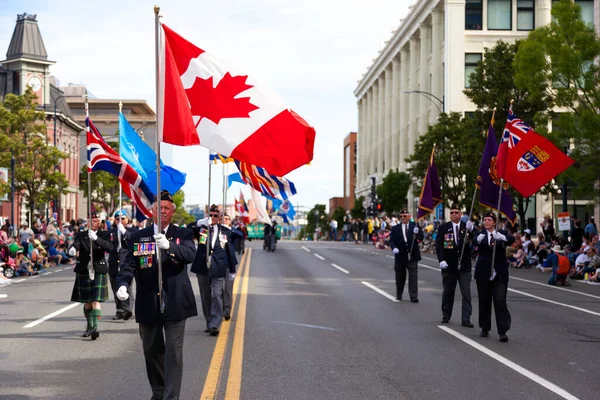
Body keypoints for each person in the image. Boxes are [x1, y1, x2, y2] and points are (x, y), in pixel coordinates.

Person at [116, 190, 197, 400]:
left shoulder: (183, 234)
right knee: (151, 351)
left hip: (176, 302)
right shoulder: (137, 237)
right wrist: (123, 284)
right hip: (148, 301)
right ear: (151, 210)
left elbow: (189, 255)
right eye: (158, 208)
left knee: (174, 354)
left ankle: (171, 397)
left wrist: (170, 246)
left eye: (167, 208)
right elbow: (128, 265)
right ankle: (159, 391)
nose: (162, 211)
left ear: (173, 212)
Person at [191, 205, 237, 336]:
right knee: (205, 296)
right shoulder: (201, 229)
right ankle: (209, 321)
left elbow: (230, 252)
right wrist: (200, 222)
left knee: (217, 294)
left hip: (218, 267)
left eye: (215, 215)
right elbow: (188, 229)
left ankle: (215, 323)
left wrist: (232, 269)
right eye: (210, 215)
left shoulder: (225, 231)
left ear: (220, 217)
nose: (213, 218)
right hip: (203, 266)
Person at [68, 211, 113, 340]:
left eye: (95, 220)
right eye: (90, 220)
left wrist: (96, 239)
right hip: (84, 269)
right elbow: (76, 244)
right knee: (87, 302)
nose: (92, 222)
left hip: (98, 269)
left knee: (95, 301)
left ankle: (94, 328)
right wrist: (72, 249)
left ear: (99, 222)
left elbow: (110, 247)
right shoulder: (82, 235)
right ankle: (89, 326)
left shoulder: (105, 234)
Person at [474, 211, 511, 342]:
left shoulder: (501, 234)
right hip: (483, 272)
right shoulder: (480, 235)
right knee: (484, 300)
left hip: (499, 273)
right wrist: (477, 241)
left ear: (494, 222)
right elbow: (472, 244)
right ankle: (485, 327)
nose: (487, 222)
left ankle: (503, 331)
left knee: (500, 301)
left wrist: (502, 238)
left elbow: (511, 240)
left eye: (489, 220)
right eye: (485, 220)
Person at [435, 204, 474, 327]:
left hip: (464, 266)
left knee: (466, 293)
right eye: (452, 212)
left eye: (456, 212)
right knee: (448, 292)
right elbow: (439, 245)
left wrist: (473, 230)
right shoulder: (444, 228)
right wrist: (441, 260)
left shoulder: (466, 228)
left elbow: (475, 241)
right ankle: (446, 315)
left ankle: (466, 318)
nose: (454, 215)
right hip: (449, 266)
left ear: (460, 214)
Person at [389, 208, 423, 303]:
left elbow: (421, 237)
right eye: (401, 216)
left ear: (409, 216)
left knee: (413, 277)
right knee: (400, 276)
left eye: (405, 216)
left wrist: (418, 233)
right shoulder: (396, 228)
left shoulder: (414, 226)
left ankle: (413, 296)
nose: (403, 218)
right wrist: (394, 248)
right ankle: (399, 294)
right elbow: (391, 240)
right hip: (400, 256)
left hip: (412, 255)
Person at [108, 210, 136, 321]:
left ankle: (127, 310)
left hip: (127, 262)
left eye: (122, 218)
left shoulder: (132, 231)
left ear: (127, 219)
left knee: (127, 287)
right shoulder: (111, 232)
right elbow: (107, 244)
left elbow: (134, 240)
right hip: (114, 262)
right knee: (115, 287)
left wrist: (124, 232)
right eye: (117, 218)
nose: (120, 220)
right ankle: (119, 311)